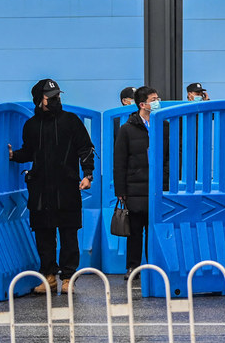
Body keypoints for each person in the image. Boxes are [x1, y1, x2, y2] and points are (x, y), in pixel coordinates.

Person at [8, 78, 95, 295]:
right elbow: (28, 152)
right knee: (43, 234)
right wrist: (13, 155)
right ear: (40, 99)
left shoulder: (71, 120)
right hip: (40, 189)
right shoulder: (31, 125)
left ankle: (68, 277)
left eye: (58, 96)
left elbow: (85, 148)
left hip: (67, 187)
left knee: (69, 234)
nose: (56, 100)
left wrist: (88, 175)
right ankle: (48, 276)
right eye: (51, 97)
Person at [113, 86, 159, 278]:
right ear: (142, 104)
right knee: (135, 230)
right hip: (135, 187)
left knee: (155, 230)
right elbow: (119, 161)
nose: (158, 102)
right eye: (154, 99)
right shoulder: (127, 129)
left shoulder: (162, 125)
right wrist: (120, 190)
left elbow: (171, 156)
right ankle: (133, 267)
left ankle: (155, 267)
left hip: (156, 187)